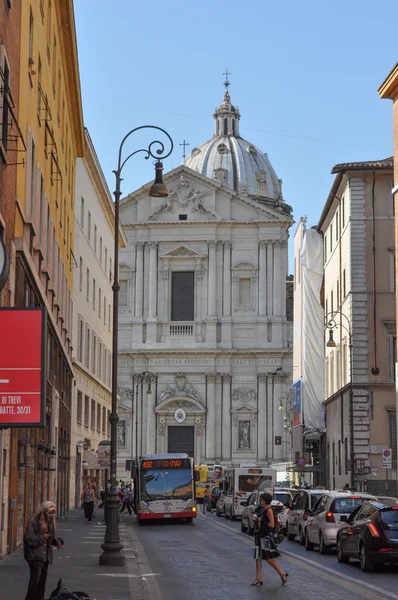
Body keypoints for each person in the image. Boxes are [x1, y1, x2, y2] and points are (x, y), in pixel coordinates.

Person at [23, 501, 64, 600]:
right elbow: (29, 539)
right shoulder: (33, 521)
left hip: (45, 556)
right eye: (50, 513)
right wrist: (42, 537)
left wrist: (58, 542)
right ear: (44, 512)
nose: (52, 515)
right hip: (34, 556)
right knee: (35, 581)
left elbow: (52, 537)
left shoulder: (51, 522)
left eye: (54, 512)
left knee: (42, 581)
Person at [251, 492, 288, 587]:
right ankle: (258, 578)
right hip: (259, 535)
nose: (260, 501)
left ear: (265, 501)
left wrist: (260, 520)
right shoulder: (262, 509)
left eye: (261, 499)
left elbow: (272, 524)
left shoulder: (269, 510)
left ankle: (282, 573)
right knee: (258, 557)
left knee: (268, 558)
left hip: (266, 536)